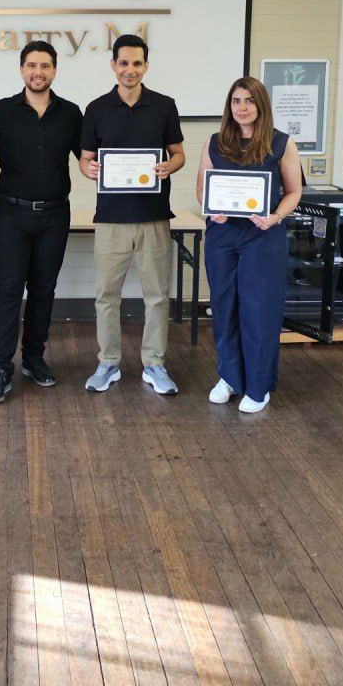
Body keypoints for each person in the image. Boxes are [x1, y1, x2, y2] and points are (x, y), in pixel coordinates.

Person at [0, 41, 83, 403]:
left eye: (45, 66)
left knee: (43, 289)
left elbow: (90, 155)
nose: (38, 72)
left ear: (54, 71)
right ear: (21, 70)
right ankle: (1, 367)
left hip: (54, 213)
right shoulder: (3, 111)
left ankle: (34, 358)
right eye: (32, 65)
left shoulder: (71, 113)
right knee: (8, 289)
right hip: (12, 214)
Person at [80, 35, 185, 395]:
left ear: (145, 66)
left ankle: (154, 363)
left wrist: (169, 166)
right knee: (106, 296)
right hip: (110, 219)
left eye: (137, 63)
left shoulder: (164, 106)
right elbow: (85, 158)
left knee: (157, 296)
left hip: (154, 217)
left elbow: (179, 154)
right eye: (123, 63)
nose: (130, 69)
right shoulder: (96, 108)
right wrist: (88, 169)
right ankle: (108, 362)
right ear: (113, 65)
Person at [196, 76, 302, 413]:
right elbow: (203, 190)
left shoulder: (281, 143)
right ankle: (229, 377)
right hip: (223, 237)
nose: (242, 107)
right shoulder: (215, 142)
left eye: (249, 101)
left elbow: (294, 192)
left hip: (263, 236)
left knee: (259, 310)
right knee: (225, 307)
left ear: (261, 105)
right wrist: (213, 211)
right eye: (236, 101)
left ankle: (257, 386)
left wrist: (274, 217)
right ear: (229, 106)